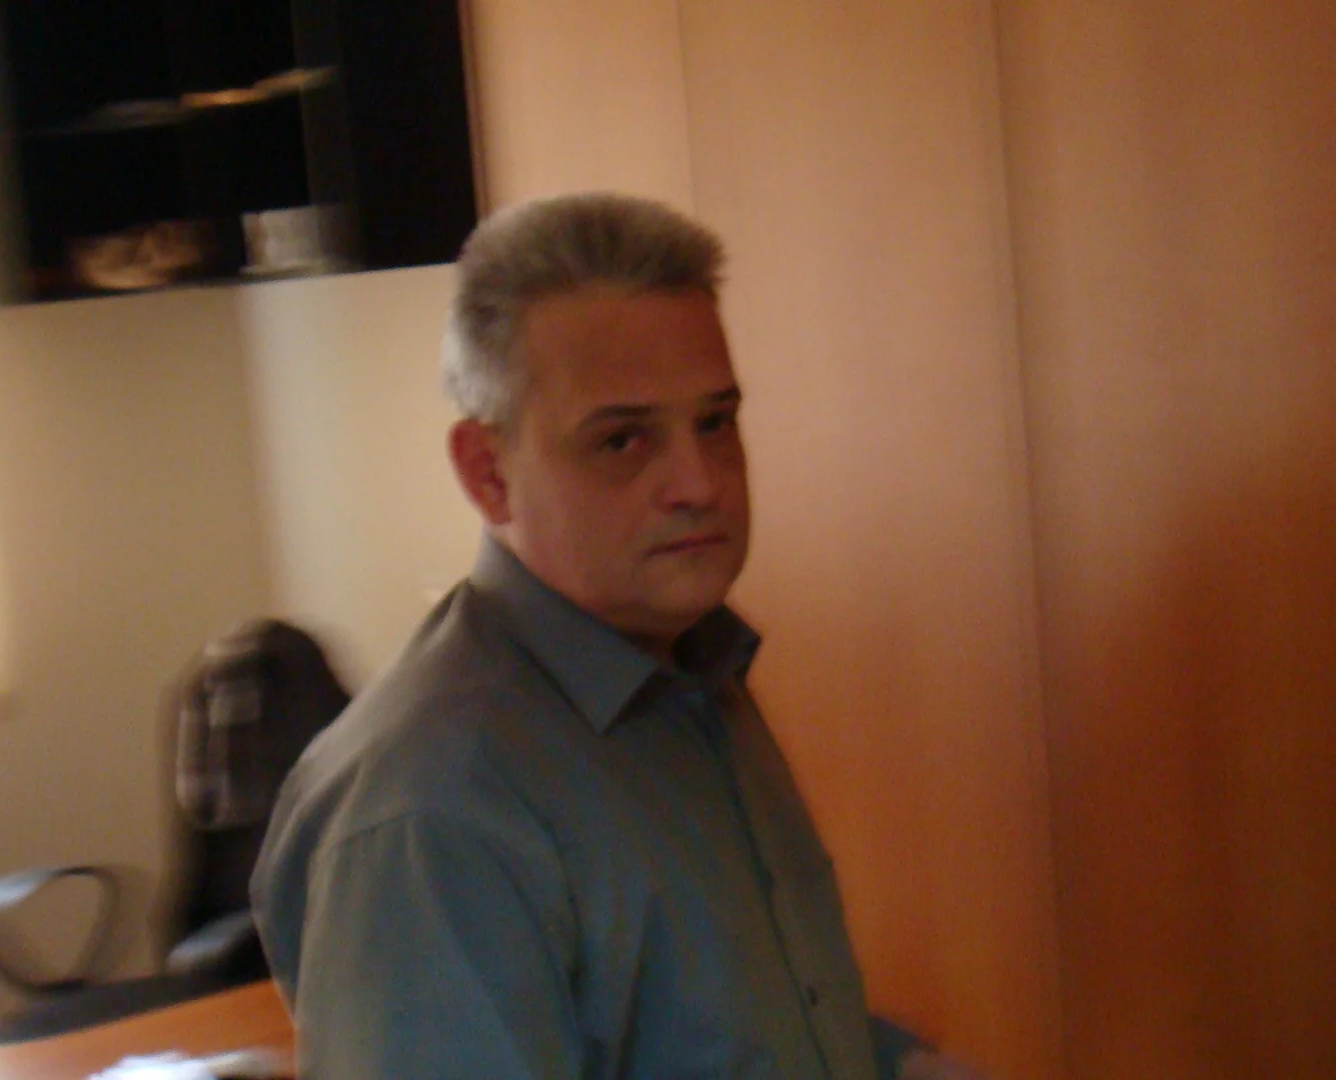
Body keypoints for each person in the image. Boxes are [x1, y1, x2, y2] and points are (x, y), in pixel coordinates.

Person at [252, 193, 983, 1079]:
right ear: (489, 473)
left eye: (715, 422)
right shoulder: (432, 810)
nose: (700, 483)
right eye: (624, 440)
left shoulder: (693, 677)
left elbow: (735, 1037)